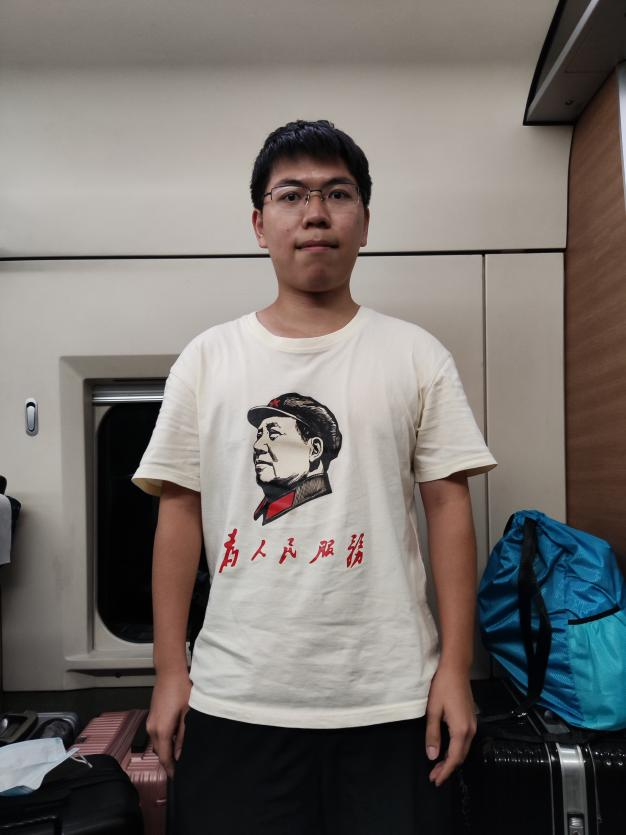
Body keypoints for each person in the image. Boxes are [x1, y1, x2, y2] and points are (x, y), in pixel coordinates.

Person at [132, 119, 496, 834]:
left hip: (391, 698)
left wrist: (455, 669)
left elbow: (449, 512)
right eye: (291, 195)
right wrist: (169, 670)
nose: (316, 213)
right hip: (235, 696)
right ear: (259, 224)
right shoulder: (207, 359)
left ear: (365, 221)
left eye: (338, 193)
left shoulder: (416, 356)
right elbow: (178, 514)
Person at [249, 392, 342, 524]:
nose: (257, 445)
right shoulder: (268, 508)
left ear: (315, 449)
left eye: (274, 434)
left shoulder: (319, 510)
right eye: (259, 436)